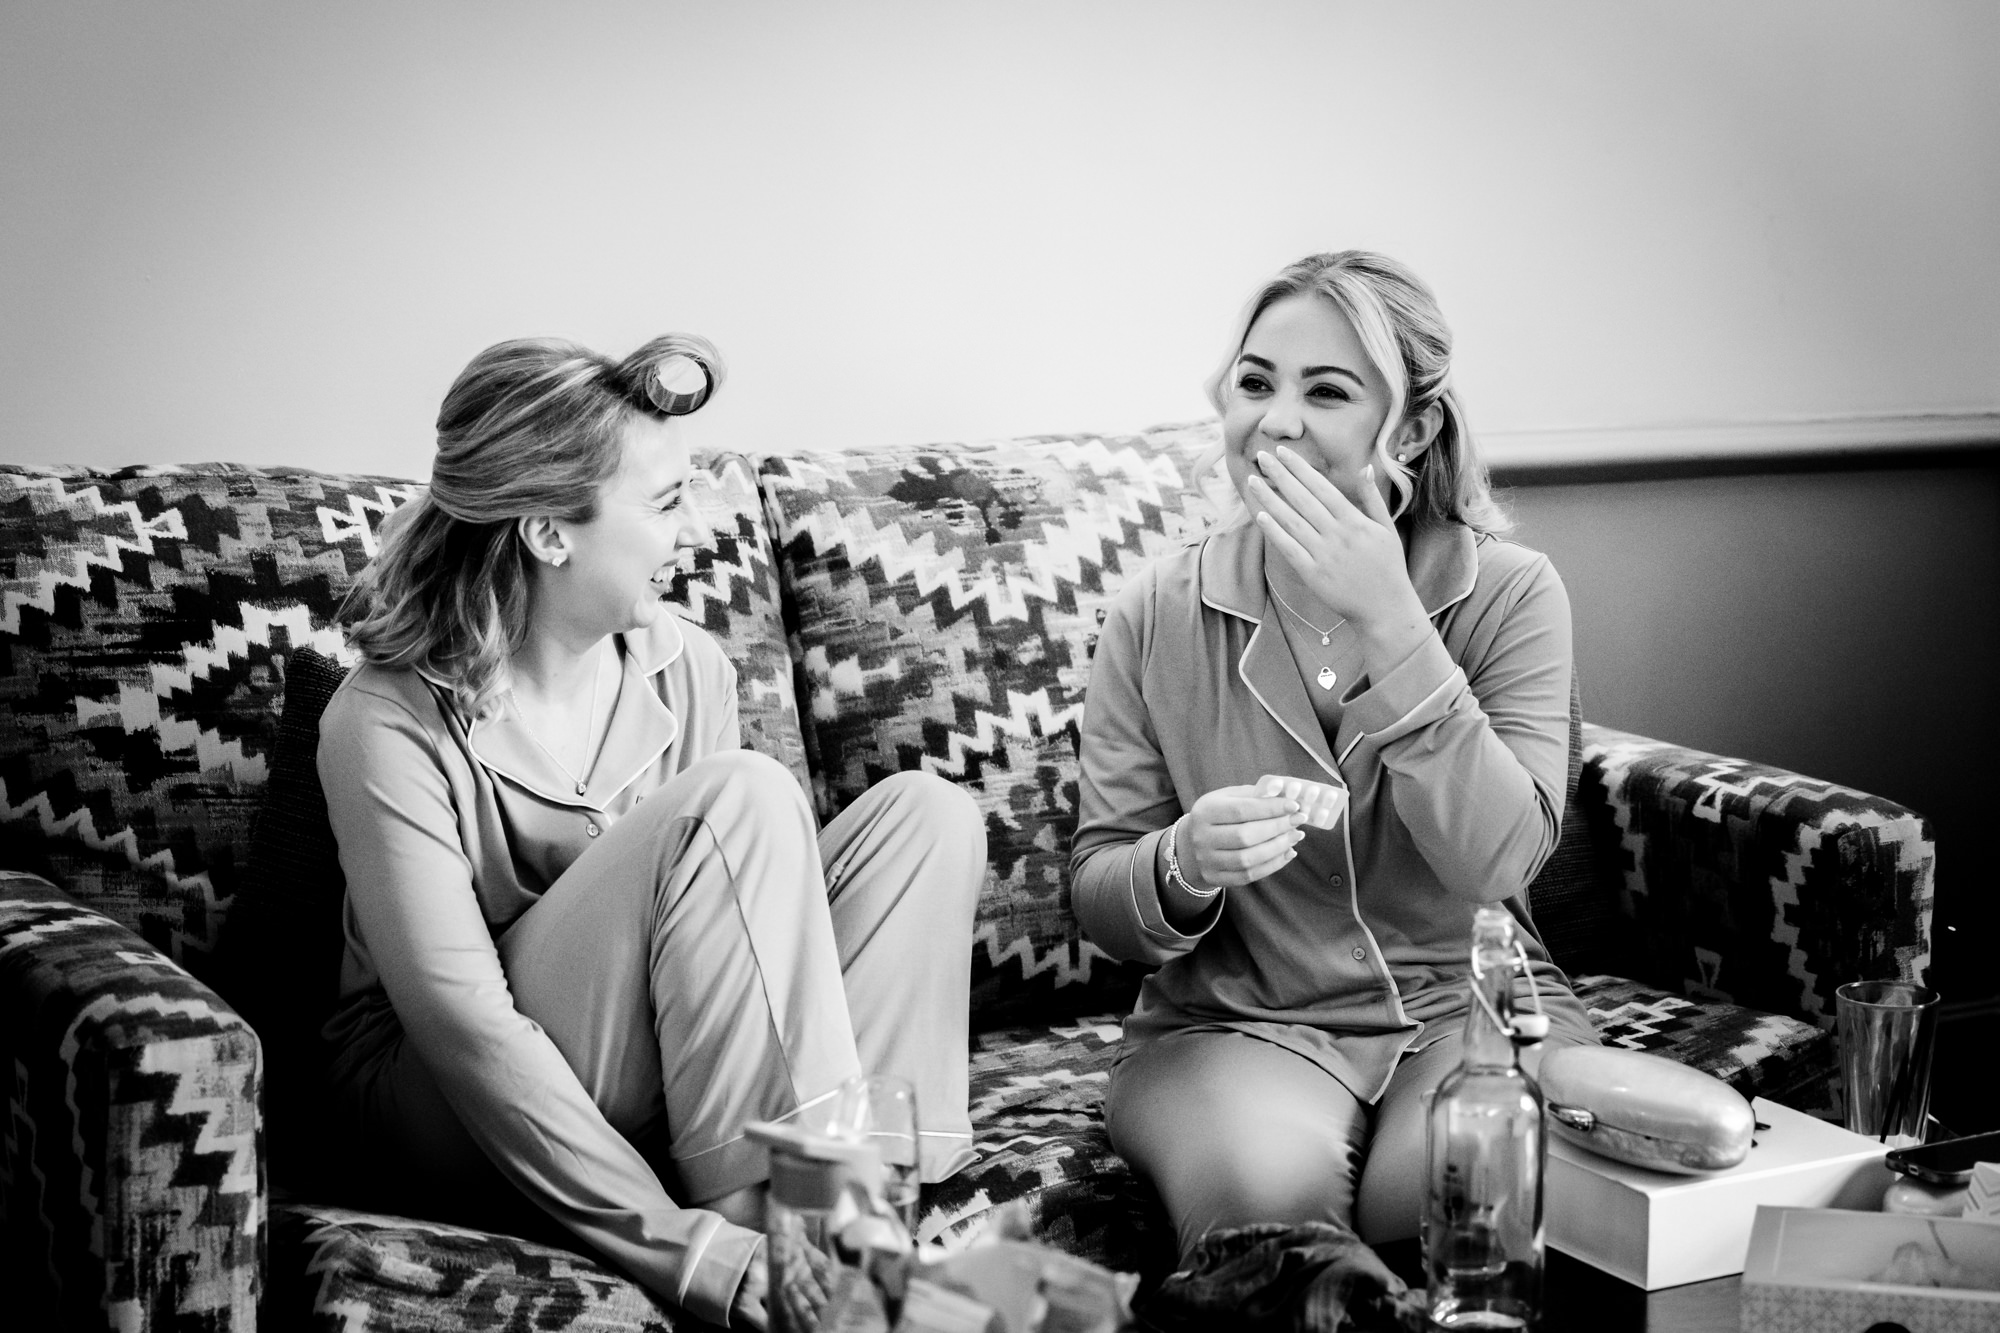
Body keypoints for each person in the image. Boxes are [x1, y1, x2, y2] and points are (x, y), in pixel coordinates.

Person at [317, 334, 985, 1330]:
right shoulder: (382, 721)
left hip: (654, 1073)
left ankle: (849, 1223)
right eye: (665, 503)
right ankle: (820, 1263)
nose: (693, 532)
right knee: (743, 800)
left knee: (925, 819)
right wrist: (690, 1250)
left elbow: (757, 963)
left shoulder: (689, 667)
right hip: (446, 1100)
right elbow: (466, 1029)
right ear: (548, 532)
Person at [1070, 251, 1598, 1257]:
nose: (1272, 421)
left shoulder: (1511, 595)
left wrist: (1394, 625)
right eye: (1255, 383)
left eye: (1326, 391)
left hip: (1463, 1010)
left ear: (1409, 427)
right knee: (1272, 1236)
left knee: (1460, 1206)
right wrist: (1183, 861)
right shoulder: (1155, 612)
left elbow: (1499, 862)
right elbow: (1102, 899)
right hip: (1233, 1026)